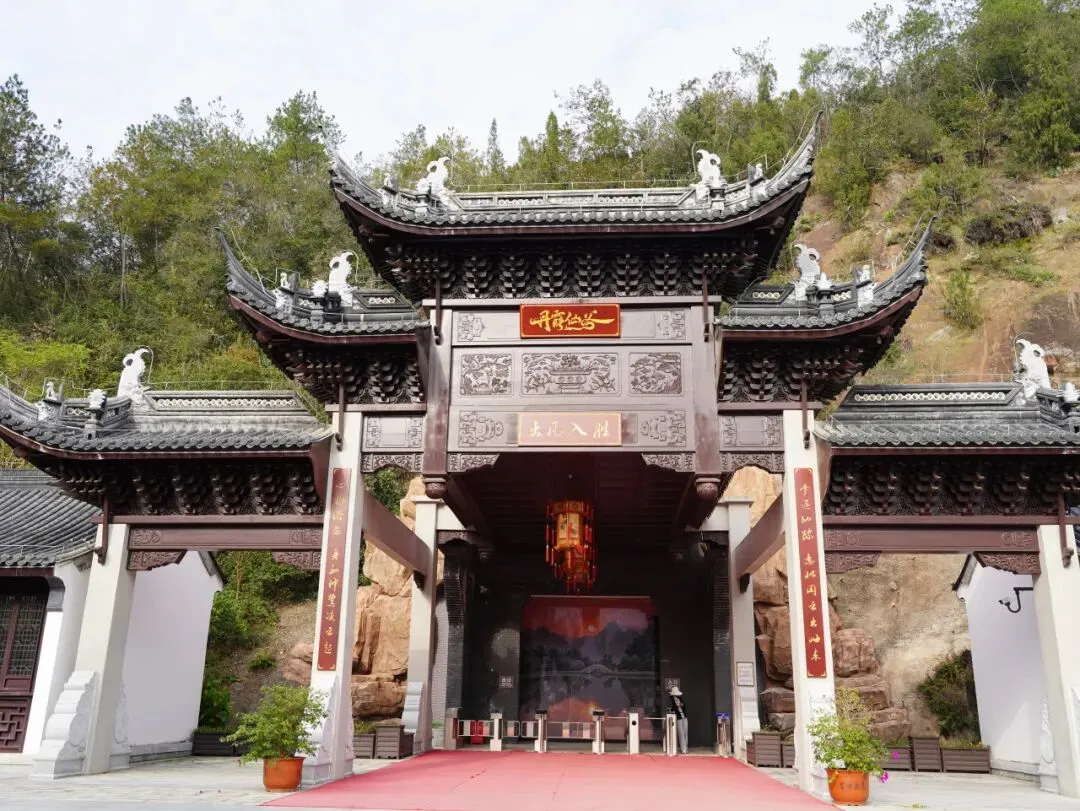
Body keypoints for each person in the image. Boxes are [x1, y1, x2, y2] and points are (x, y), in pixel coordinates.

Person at [669, 686, 688, 754]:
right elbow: (672, 709)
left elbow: (684, 705)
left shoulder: (680, 698)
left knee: (685, 733)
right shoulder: (671, 700)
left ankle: (685, 747)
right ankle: (683, 749)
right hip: (678, 718)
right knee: (681, 733)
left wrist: (681, 704)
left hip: (684, 717)